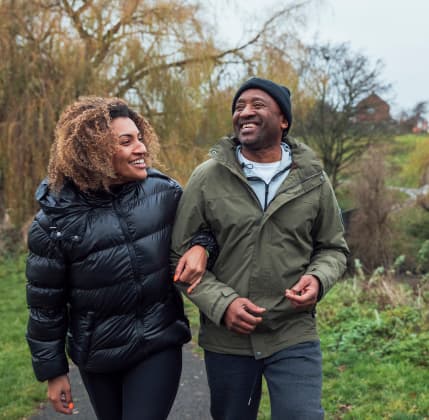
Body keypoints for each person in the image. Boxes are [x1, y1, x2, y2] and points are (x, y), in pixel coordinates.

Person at [25, 96, 217, 420]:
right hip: (97, 356)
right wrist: (53, 371)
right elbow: (45, 305)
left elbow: (205, 226)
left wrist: (201, 245)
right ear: (92, 151)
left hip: (158, 342)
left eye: (139, 138)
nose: (141, 148)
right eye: (126, 142)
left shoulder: (164, 192)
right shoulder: (54, 221)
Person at [171, 77, 349, 419]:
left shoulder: (313, 179)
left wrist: (318, 279)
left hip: (292, 330)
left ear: (284, 120)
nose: (245, 113)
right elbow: (179, 257)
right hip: (228, 339)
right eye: (239, 107)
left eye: (257, 105)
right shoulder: (207, 178)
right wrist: (223, 305)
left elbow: (333, 248)